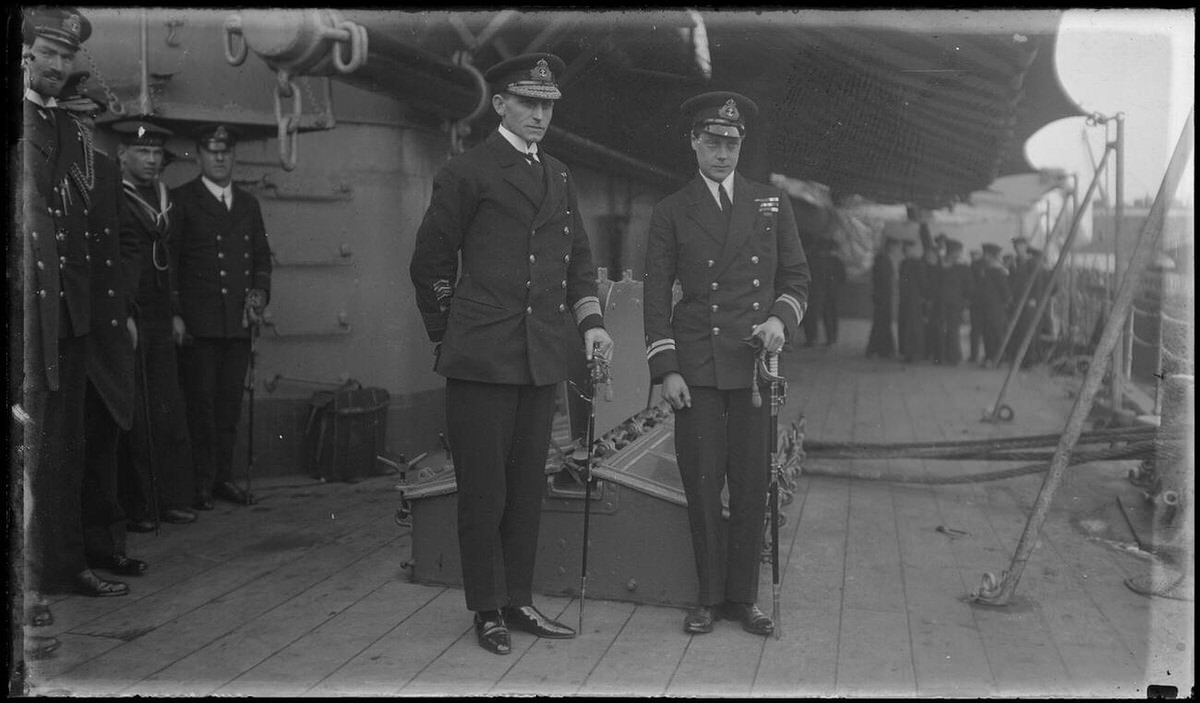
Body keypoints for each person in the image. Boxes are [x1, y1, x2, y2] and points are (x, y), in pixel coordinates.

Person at [409, 53, 613, 656]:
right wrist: (452, 335)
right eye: (528, 103)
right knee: (484, 490)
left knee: (527, 486)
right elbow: (431, 263)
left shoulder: (560, 175)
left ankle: (518, 599)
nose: (539, 115)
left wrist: (594, 323)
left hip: (539, 357)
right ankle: (486, 608)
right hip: (480, 357)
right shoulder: (467, 172)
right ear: (500, 105)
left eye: (547, 105)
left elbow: (578, 262)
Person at [643, 90, 810, 637]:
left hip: (755, 366)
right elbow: (655, 295)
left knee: (751, 481)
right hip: (696, 368)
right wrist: (666, 368)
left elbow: (797, 280)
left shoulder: (770, 202)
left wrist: (780, 322)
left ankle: (744, 599)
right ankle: (707, 599)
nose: (722, 153)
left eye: (731, 143)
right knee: (702, 481)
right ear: (694, 142)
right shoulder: (671, 210)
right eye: (712, 142)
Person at [19, 7, 128, 662]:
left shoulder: (67, 128)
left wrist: (83, 122)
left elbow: (91, 208)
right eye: (46, 54)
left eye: (67, 58)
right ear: (23, 54)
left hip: (69, 316)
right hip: (28, 314)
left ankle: (60, 565)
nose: (58, 66)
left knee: (61, 447)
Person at [56, 73, 151, 579]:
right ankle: (68, 557)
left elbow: (130, 243)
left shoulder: (109, 171)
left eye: (91, 117)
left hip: (107, 329)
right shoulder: (45, 165)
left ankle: (106, 546)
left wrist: (126, 303)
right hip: (66, 330)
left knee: (104, 444)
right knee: (66, 448)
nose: (84, 125)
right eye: (76, 115)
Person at [172, 124, 272, 510]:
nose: (219, 158)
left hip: (238, 323)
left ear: (233, 156)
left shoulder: (248, 204)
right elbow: (173, 261)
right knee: (200, 405)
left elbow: (261, 257)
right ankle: (199, 482)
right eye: (212, 151)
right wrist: (176, 314)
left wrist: (260, 291)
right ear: (198, 155)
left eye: (226, 152)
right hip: (199, 325)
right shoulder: (183, 200)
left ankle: (222, 479)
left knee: (229, 404)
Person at [111, 117, 199, 531]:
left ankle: (172, 498)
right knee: (135, 411)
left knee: (168, 406)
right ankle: (140, 506)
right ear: (122, 154)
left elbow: (175, 259)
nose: (150, 160)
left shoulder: (166, 199)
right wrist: (122, 314)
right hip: (128, 315)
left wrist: (177, 310)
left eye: (155, 153)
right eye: (141, 151)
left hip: (162, 314)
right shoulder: (115, 197)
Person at [935, 239, 974, 366]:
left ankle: (953, 357)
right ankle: (940, 356)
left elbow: (968, 287)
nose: (959, 254)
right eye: (957, 252)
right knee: (940, 328)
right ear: (952, 252)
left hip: (955, 303)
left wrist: (966, 303)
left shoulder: (962, 267)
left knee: (953, 329)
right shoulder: (940, 265)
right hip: (941, 302)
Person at [802, 238, 845, 347]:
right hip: (830, 291)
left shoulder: (812, 259)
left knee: (812, 314)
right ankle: (831, 338)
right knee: (829, 314)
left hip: (815, 291)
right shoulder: (835, 260)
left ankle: (812, 338)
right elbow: (842, 278)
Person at [976, 243, 1011, 365]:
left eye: (986, 254)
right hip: (987, 306)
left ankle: (997, 358)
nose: (984, 257)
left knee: (996, 333)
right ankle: (989, 356)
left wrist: (1005, 302)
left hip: (996, 307)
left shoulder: (998, 270)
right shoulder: (987, 269)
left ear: (992, 256)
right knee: (987, 332)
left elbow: (1005, 291)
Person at [865, 237, 899, 358]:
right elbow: (882, 280)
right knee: (881, 322)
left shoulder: (885, 258)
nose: (896, 249)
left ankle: (879, 348)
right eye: (895, 247)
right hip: (882, 296)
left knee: (882, 322)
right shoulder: (883, 259)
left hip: (884, 295)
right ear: (890, 246)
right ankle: (880, 349)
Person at [897, 239, 926, 362]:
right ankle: (907, 352)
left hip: (914, 298)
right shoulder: (904, 263)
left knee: (914, 326)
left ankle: (915, 353)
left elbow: (922, 282)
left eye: (908, 249)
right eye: (904, 249)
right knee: (905, 325)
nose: (905, 251)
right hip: (905, 298)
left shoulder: (917, 263)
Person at [967, 248, 986, 364]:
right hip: (979, 303)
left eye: (975, 255)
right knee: (978, 330)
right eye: (972, 255)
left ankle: (974, 355)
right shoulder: (977, 266)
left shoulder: (975, 267)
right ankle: (975, 355)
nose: (973, 257)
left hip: (978, 303)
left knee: (976, 330)